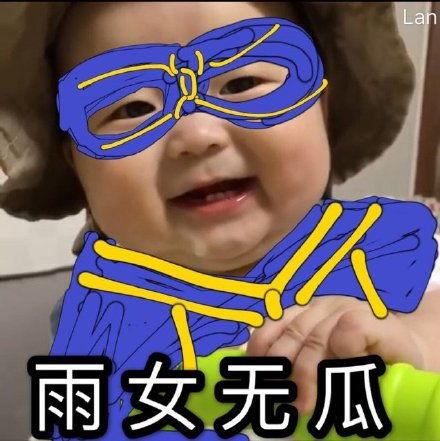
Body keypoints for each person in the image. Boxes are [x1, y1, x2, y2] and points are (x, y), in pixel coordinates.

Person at [1, 2, 439, 418]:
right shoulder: (100, 321)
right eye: (132, 108)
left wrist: (414, 345)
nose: (196, 135)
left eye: (241, 84)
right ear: (77, 165)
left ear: (321, 108)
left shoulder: (387, 245)